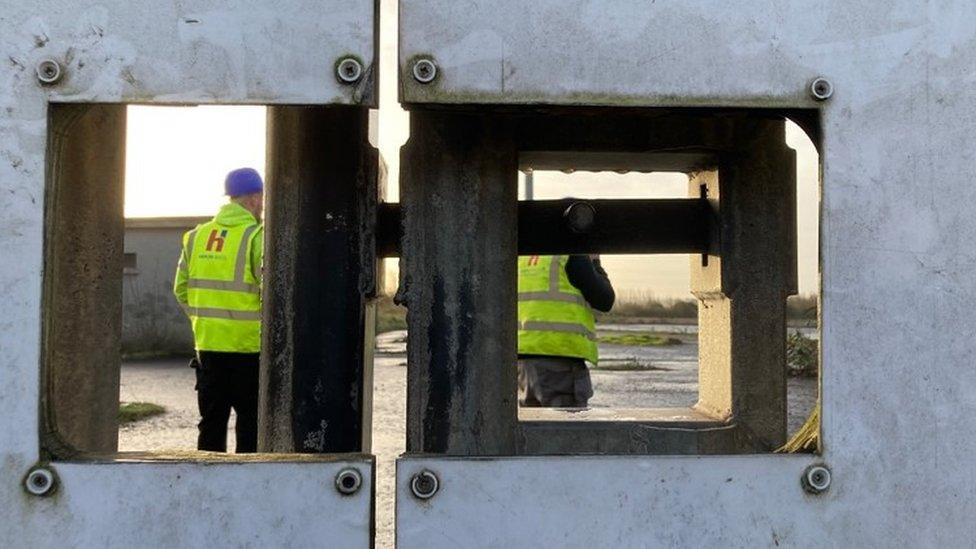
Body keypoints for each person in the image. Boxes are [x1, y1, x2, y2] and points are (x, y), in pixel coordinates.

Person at [173, 168, 265, 453]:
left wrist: (204, 321)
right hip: (248, 349)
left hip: (209, 348)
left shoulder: (196, 236)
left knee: (211, 424)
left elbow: (181, 289)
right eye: (260, 198)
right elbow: (271, 289)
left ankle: (209, 488)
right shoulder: (256, 235)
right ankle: (247, 488)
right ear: (252, 198)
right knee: (250, 423)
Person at [517, 254, 615, 407]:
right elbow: (605, 299)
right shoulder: (569, 253)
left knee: (530, 426)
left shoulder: (522, 256)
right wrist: (595, 262)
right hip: (559, 359)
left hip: (523, 361)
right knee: (563, 427)